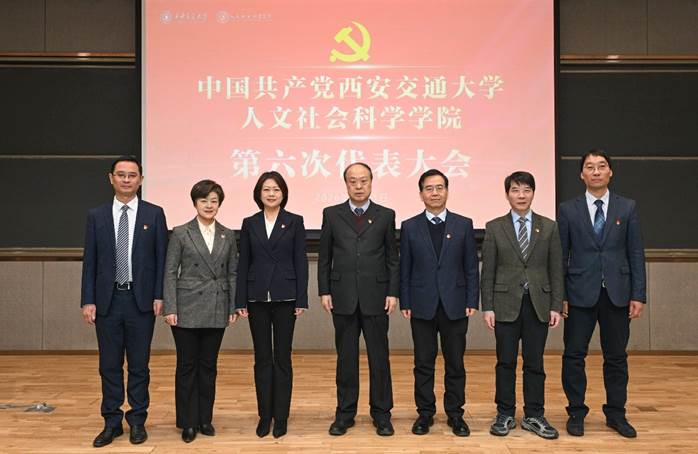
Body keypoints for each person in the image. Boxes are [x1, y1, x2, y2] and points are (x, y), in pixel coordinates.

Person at [80, 156, 168, 448]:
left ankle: (138, 420)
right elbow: (90, 261)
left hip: (140, 301)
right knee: (109, 365)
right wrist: (88, 300)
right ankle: (111, 421)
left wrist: (159, 295)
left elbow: (161, 259)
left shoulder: (154, 214)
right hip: (107, 301)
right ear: (111, 178)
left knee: (139, 365)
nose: (127, 179)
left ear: (141, 179)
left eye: (132, 175)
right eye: (121, 174)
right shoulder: (97, 215)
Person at [559, 149, 646, 438]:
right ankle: (576, 412)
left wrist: (638, 294)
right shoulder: (568, 209)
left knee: (617, 357)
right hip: (579, 293)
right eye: (589, 167)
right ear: (581, 174)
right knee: (574, 356)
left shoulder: (627, 207)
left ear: (610, 172)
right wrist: (560, 295)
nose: (596, 171)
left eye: (601, 166)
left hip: (617, 294)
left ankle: (616, 414)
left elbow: (635, 252)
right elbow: (560, 255)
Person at [318, 162, 399, 437]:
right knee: (346, 360)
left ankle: (382, 415)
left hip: (377, 297)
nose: (359, 186)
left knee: (379, 359)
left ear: (371, 182)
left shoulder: (386, 215)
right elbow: (324, 257)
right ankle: (344, 414)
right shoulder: (332, 214)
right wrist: (324, 290)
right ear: (346, 184)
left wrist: (392, 292)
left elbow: (392, 258)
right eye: (353, 181)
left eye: (363, 180)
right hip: (342, 297)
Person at [480, 171, 563, 439]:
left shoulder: (549, 227)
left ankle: (534, 414)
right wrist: (488, 306)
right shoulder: (495, 227)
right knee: (505, 361)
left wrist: (555, 305)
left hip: (538, 304)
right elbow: (488, 271)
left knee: (535, 362)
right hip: (504, 304)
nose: (521, 195)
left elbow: (556, 269)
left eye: (526, 190)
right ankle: (505, 413)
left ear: (533, 193)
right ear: (507, 194)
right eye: (515, 190)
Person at [399, 169, 479, 437]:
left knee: (455, 363)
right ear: (421, 193)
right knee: (423, 362)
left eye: (439, 187)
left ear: (447, 190)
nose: (435, 193)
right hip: (421, 304)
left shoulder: (463, 224)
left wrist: (472, 298)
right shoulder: (409, 226)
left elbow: (471, 266)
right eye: (429, 188)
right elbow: (405, 268)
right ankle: (425, 413)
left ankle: (456, 414)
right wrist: (405, 300)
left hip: (455, 303)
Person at [162, 180, 238, 443]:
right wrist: (170, 306)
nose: (209, 205)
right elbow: (170, 272)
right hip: (186, 307)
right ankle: (187, 421)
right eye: (204, 200)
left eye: (214, 201)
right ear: (195, 203)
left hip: (217, 306)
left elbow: (232, 273)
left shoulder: (228, 234)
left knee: (208, 366)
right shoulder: (181, 232)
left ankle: (205, 418)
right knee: (187, 366)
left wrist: (232, 305)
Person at [235, 171, 309, 438]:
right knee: (262, 358)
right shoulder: (249, 222)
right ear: (259, 193)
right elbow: (244, 262)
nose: (271, 194)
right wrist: (240, 299)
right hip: (256, 298)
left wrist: (301, 298)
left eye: (276, 189)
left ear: (283, 193)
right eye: (266, 189)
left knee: (283, 359)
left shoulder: (294, 221)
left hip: (286, 297)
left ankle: (282, 417)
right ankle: (265, 415)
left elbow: (301, 261)